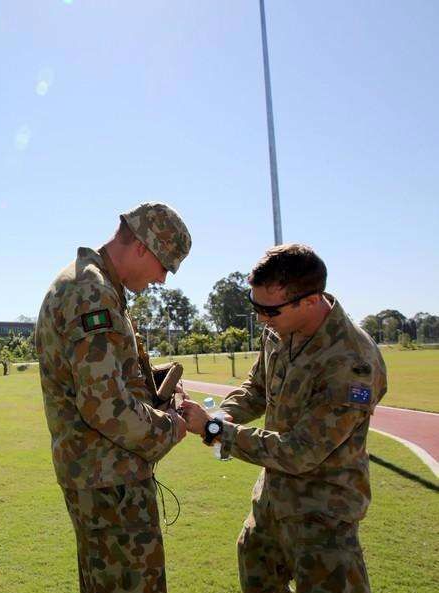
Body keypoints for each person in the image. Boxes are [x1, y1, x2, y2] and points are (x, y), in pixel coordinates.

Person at [180, 243, 386, 593]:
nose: (261, 318)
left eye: (269, 310)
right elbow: (257, 388)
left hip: (323, 518)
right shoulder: (279, 330)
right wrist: (222, 412)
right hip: (272, 504)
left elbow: (299, 451)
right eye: (254, 306)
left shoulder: (352, 363)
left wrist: (214, 429)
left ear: (309, 300)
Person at [35, 203, 191, 593]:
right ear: (142, 246)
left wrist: (153, 384)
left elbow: (101, 377)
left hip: (101, 478)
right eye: (164, 266)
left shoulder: (93, 285)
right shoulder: (93, 293)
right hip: (111, 483)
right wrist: (172, 427)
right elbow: (105, 406)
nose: (162, 280)